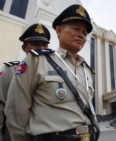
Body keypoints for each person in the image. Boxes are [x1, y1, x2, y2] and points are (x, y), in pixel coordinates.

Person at [4, 4, 99, 141]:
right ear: (59, 30)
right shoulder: (37, 60)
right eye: (76, 29)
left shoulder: (87, 71)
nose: (81, 35)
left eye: (84, 32)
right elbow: (17, 111)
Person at [0, 23, 50, 141]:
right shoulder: (10, 70)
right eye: (35, 45)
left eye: (44, 45)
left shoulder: (53, 73)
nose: (41, 49)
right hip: (14, 135)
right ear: (24, 48)